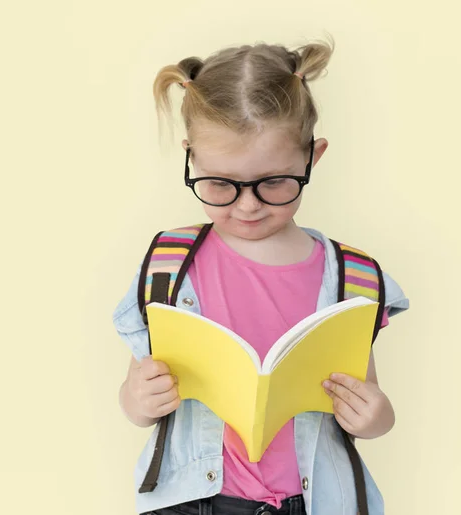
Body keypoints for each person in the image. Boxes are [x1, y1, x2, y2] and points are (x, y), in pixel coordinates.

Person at [113, 38, 409, 515]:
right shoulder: (170, 264)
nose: (247, 205)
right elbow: (134, 405)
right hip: (194, 502)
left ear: (312, 158)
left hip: (311, 503)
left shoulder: (352, 276)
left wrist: (375, 417)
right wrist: (140, 397)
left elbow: (365, 402)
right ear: (191, 157)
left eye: (274, 182)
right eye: (219, 184)